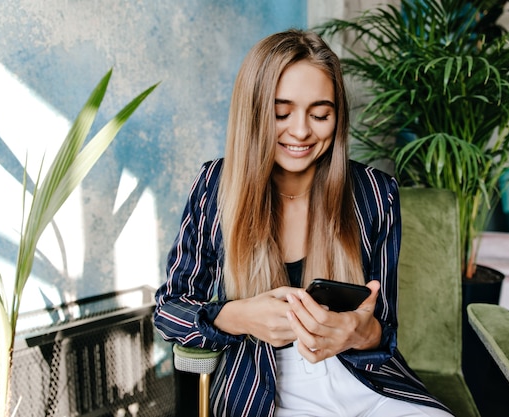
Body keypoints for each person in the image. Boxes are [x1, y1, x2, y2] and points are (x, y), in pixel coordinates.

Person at [154, 29, 453, 417]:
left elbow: (385, 330)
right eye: (281, 113)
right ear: (254, 111)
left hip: (364, 381)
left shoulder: (378, 194)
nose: (300, 131)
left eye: (320, 114)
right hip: (265, 387)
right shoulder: (215, 186)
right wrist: (238, 316)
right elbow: (168, 311)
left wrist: (359, 332)